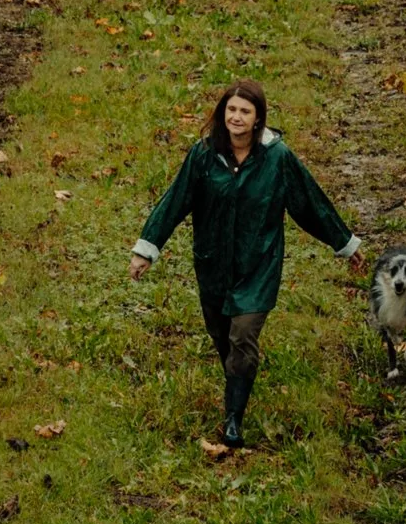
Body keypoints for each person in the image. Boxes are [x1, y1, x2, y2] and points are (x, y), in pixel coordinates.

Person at [130, 80, 362, 453]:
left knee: (243, 335)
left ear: (258, 119)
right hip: (213, 265)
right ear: (224, 114)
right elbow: (174, 202)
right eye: (231, 110)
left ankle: (233, 419)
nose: (236, 117)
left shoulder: (277, 158)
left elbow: (310, 204)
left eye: (245, 111)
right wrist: (147, 249)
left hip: (259, 265)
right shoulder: (203, 156)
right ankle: (238, 379)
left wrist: (345, 244)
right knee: (222, 336)